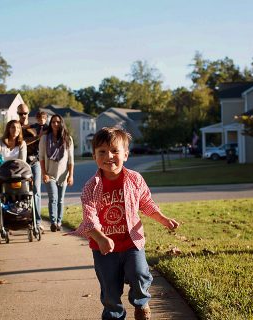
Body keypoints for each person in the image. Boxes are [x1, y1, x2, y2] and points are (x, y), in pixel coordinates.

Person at [71, 127, 179, 320]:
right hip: (103, 248)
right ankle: (114, 316)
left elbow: (146, 203)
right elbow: (89, 218)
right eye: (102, 152)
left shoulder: (134, 179)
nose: (108, 156)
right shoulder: (90, 187)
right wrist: (101, 238)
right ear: (94, 155)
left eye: (114, 151)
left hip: (132, 243)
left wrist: (163, 219)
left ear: (126, 155)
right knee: (110, 290)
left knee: (139, 275)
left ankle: (141, 302)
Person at [39, 114, 74, 232]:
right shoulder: (45, 138)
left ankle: (59, 222)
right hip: (50, 174)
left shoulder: (67, 139)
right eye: (53, 122)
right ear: (50, 123)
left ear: (61, 123)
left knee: (60, 200)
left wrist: (71, 175)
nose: (55, 124)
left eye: (58, 122)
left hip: (63, 175)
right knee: (53, 198)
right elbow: (42, 158)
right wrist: (44, 173)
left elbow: (71, 160)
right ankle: (53, 222)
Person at [17, 104, 44, 232]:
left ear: (28, 113)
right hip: (21, 164)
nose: (23, 116)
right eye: (20, 113)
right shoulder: (15, 127)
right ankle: (24, 220)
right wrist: (36, 138)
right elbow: (20, 142)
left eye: (25, 113)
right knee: (22, 193)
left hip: (35, 162)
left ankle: (38, 222)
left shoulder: (34, 127)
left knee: (37, 191)